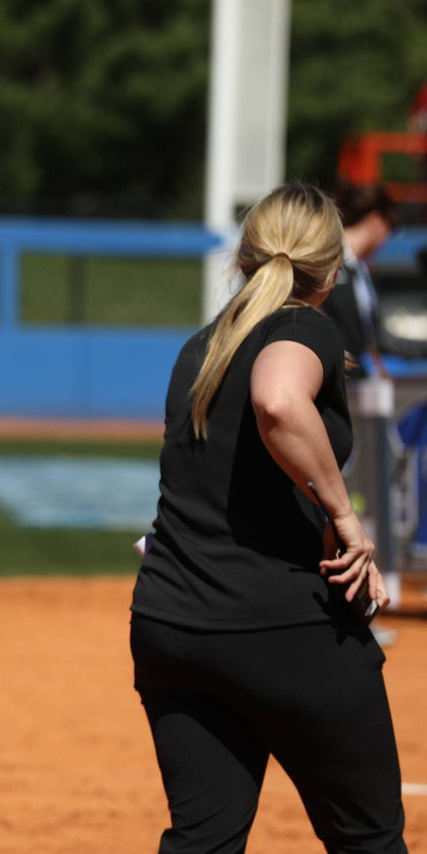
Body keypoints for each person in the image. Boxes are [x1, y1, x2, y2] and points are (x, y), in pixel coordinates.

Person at [131, 183, 406, 852]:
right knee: (369, 839)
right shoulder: (301, 325)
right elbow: (279, 401)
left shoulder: (204, 344)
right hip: (280, 625)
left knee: (204, 841)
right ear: (333, 267)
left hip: (171, 624)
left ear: (246, 257)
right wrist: (347, 518)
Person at [319, 183, 425, 377]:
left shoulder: (359, 272)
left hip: (351, 387)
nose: (387, 239)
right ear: (375, 220)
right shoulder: (324, 263)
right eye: (390, 228)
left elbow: (376, 338)